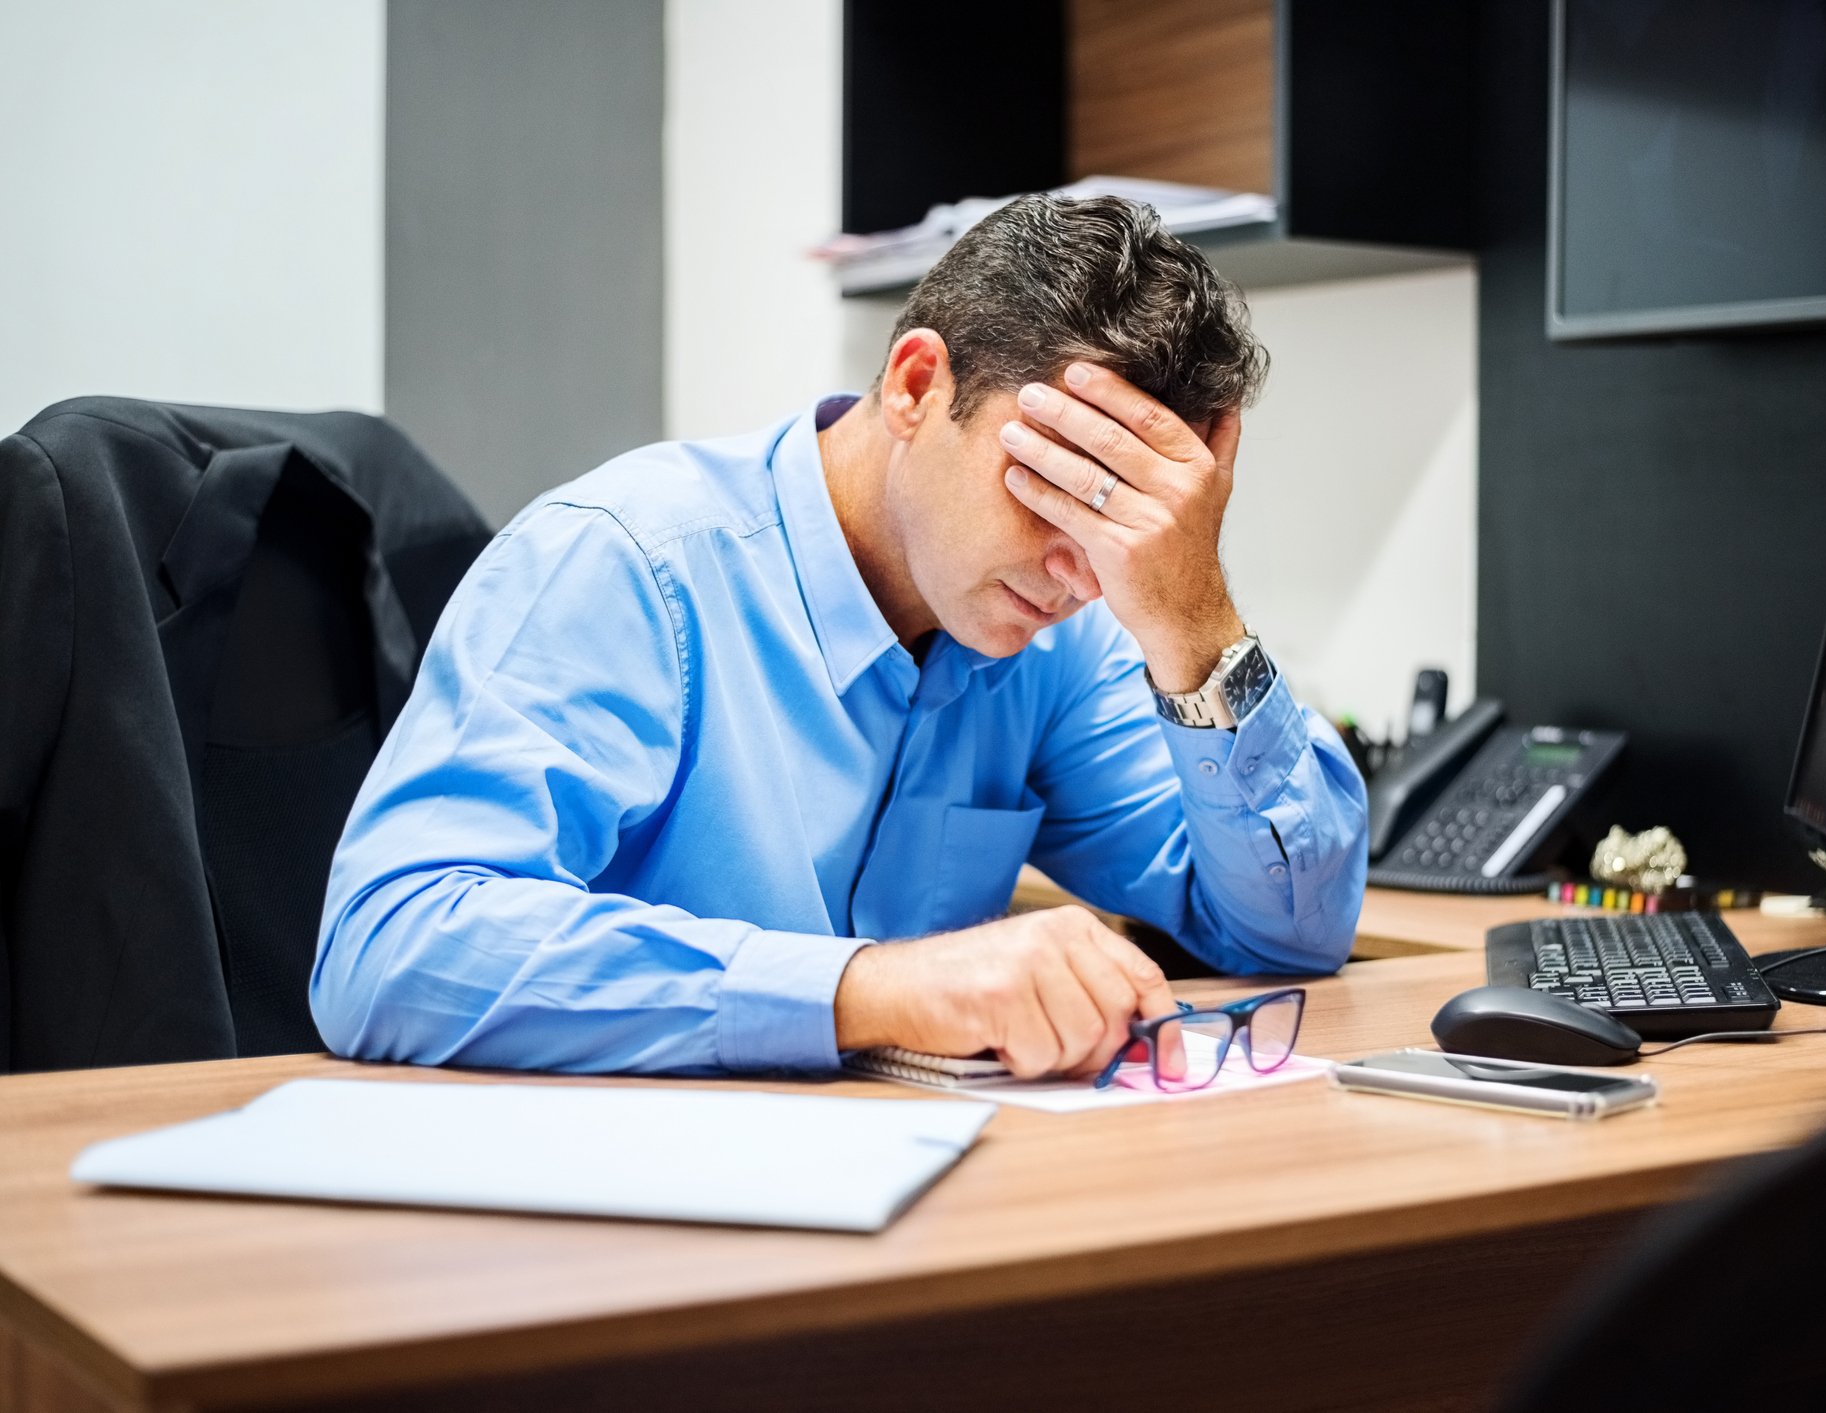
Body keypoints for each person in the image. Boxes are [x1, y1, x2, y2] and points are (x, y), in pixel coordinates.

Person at [312, 195, 1368, 1079]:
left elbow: (1288, 931)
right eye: (1056, 489)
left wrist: (1193, 619)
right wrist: (876, 989)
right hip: (602, 1229)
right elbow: (391, 948)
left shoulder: (1058, 642)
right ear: (917, 387)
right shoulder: (628, 563)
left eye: (1128, 521)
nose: (1087, 573)